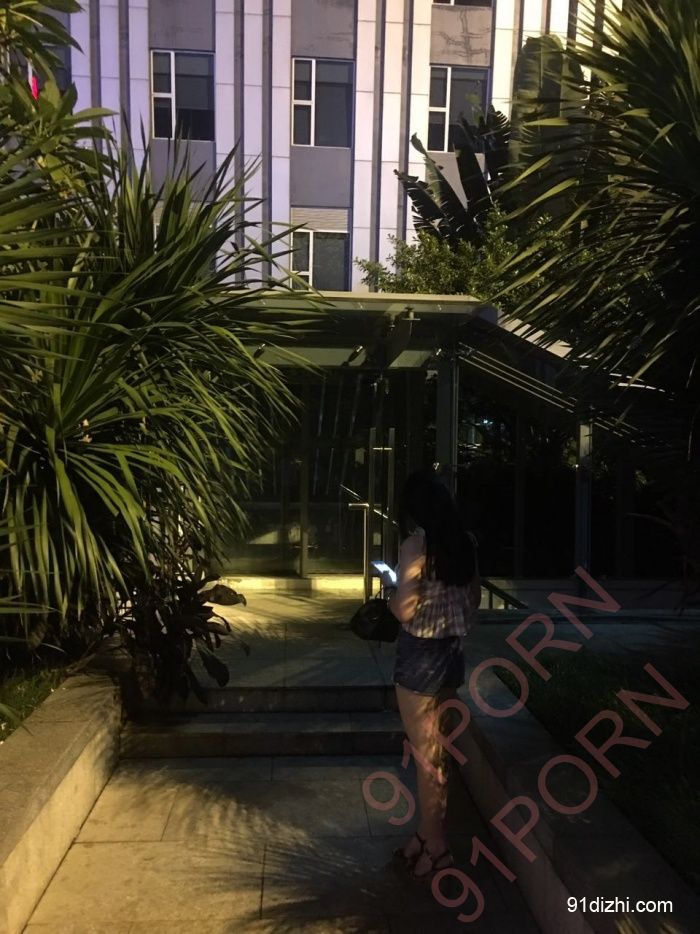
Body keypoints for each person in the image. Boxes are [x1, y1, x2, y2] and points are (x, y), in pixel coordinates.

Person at [383, 468, 480, 882]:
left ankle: (437, 846)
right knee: (438, 752)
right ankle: (425, 835)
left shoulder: (415, 546)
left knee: (427, 757)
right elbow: (474, 600)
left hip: (420, 656)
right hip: (452, 655)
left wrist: (390, 597)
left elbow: (405, 609)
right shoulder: (465, 544)